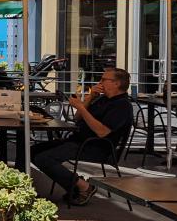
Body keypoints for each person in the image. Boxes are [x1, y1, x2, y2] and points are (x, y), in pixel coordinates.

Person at [30, 67, 133, 206]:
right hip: (78, 140)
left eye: (104, 79)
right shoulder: (103, 98)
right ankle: (73, 188)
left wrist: (82, 107)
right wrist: (90, 98)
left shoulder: (122, 105)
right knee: (32, 151)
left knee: (44, 158)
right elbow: (78, 118)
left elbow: (102, 132)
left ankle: (84, 187)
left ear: (117, 83)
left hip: (96, 147)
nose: (100, 82)